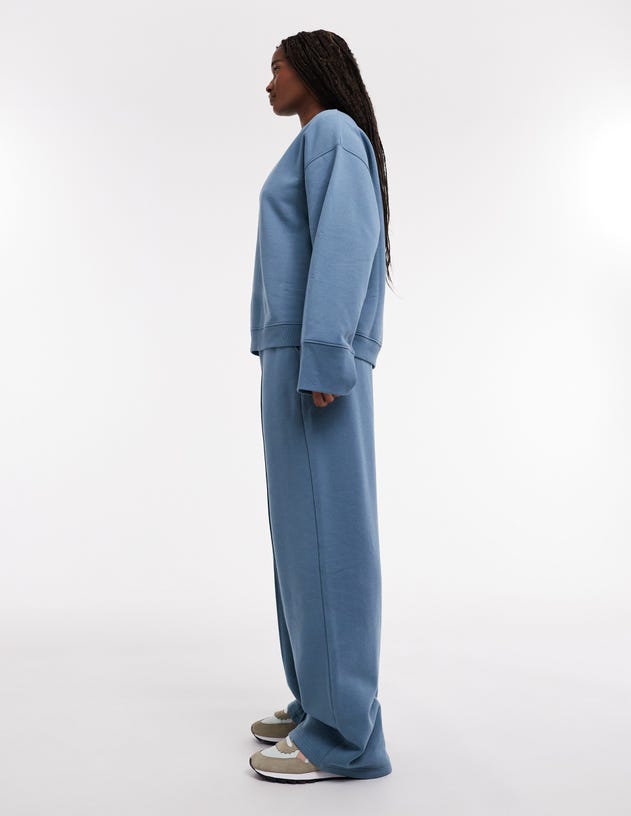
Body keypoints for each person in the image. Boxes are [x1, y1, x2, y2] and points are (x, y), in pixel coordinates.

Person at [247, 29, 394, 783]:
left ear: (311, 66)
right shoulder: (316, 141)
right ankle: (319, 703)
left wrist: (327, 354)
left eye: (276, 66)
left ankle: (346, 737)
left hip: (316, 362)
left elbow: (347, 240)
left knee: (328, 538)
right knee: (301, 540)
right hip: (296, 356)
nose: (268, 81)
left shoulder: (334, 133)